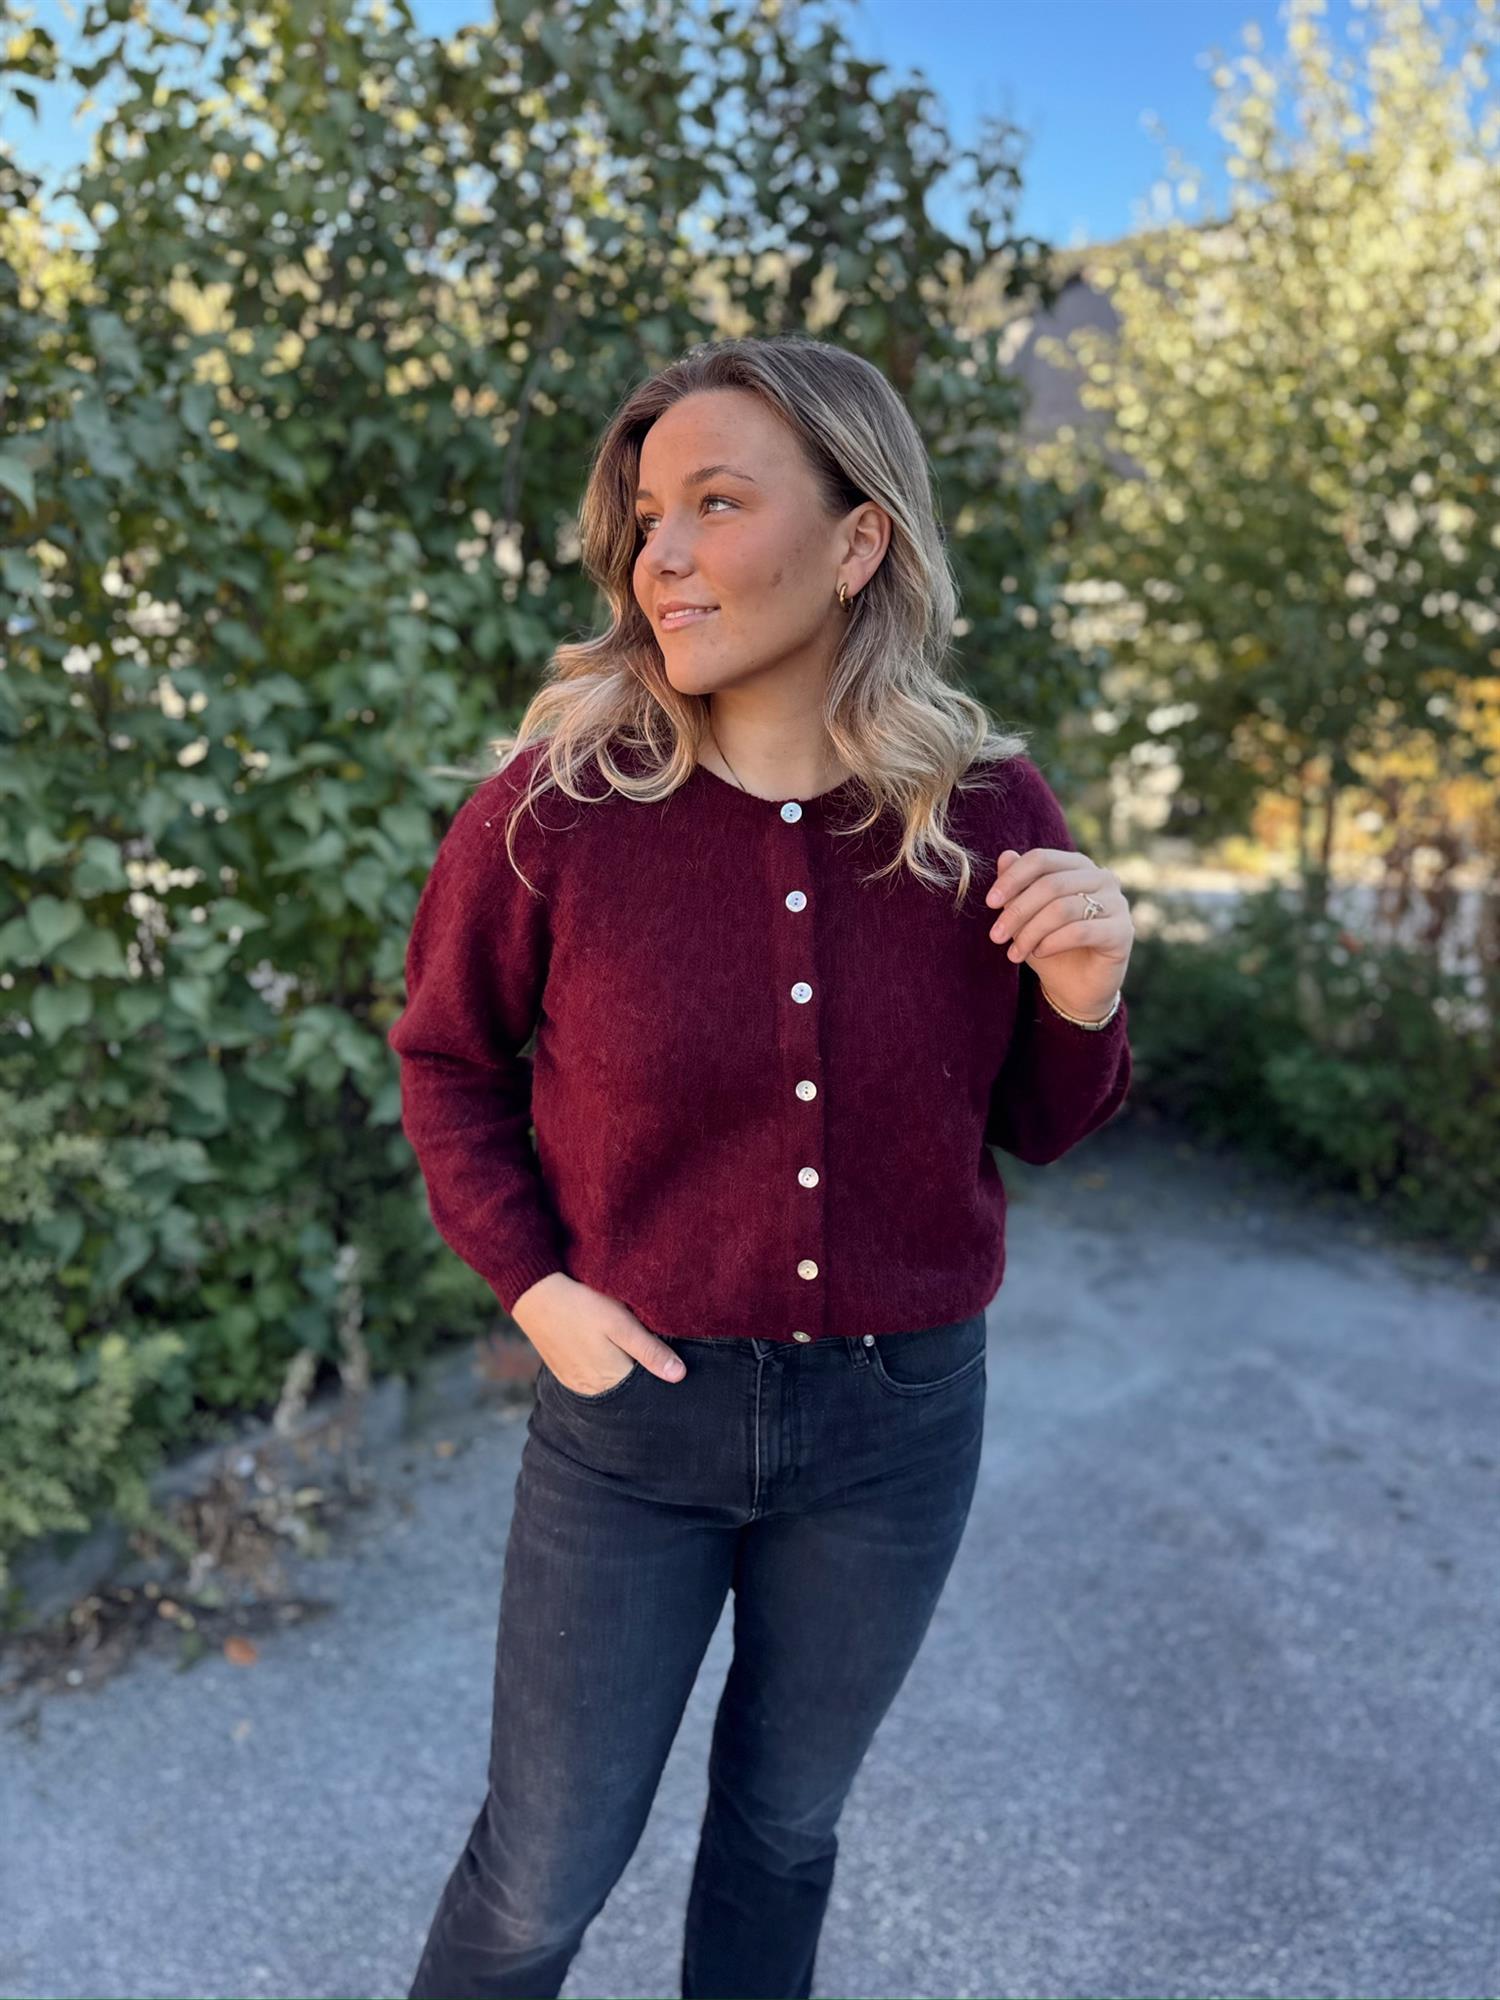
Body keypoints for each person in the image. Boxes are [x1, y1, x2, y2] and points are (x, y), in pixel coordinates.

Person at [386, 332, 1136, 2000]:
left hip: (898, 1426)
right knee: (539, 1876)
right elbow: (447, 1060)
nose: (660, 553)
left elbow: (1041, 1122)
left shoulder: (989, 813)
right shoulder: (556, 812)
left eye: (715, 503)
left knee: (787, 1832)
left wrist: (1085, 998)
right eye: (648, 515)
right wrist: (536, 1287)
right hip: (631, 1425)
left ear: (860, 539)